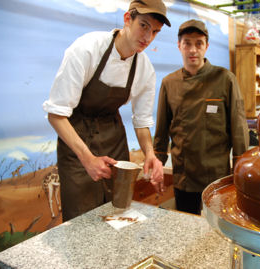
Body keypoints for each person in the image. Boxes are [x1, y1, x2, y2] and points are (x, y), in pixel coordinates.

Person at [42, 0, 170, 221]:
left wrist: (150, 153)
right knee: (80, 218)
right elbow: (56, 115)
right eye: (144, 26)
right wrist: (87, 158)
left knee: (117, 210)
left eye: (155, 32)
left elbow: (141, 122)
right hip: (76, 140)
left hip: (113, 139)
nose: (148, 38)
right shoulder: (87, 49)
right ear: (127, 19)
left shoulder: (145, 68)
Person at [153, 19, 249, 215]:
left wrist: (239, 170)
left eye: (199, 43)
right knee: (187, 228)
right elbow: (162, 129)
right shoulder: (169, 83)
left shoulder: (225, 79)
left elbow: (238, 127)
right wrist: (157, 165)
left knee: (215, 233)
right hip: (184, 176)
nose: (193, 50)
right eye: (187, 43)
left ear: (207, 46)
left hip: (217, 176)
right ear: (179, 46)